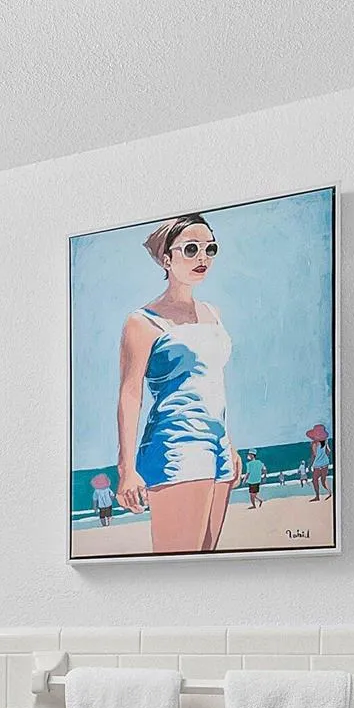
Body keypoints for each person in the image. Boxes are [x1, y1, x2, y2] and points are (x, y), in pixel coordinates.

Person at [115, 213, 239, 553]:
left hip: (218, 447)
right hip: (176, 445)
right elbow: (130, 395)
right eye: (191, 249)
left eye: (210, 248)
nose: (203, 257)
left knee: (206, 561)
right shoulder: (142, 322)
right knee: (177, 563)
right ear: (166, 259)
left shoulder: (213, 313)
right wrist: (127, 469)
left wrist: (229, 443)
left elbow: (211, 384)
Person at [307, 425, 333, 502]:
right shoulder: (325, 441)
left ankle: (317, 496)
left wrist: (309, 465)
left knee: (314, 480)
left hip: (318, 464)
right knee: (323, 480)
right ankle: (329, 492)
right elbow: (328, 451)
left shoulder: (314, 444)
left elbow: (314, 455)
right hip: (325, 463)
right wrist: (324, 456)